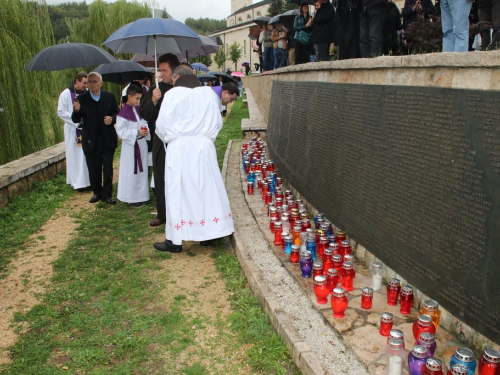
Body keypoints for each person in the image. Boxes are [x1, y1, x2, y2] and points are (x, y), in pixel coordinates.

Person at [153, 66, 237, 253]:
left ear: (177, 78)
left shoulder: (172, 95)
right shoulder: (209, 94)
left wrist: (173, 138)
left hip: (179, 148)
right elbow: (216, 122)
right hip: (203, 148)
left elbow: (161, 126)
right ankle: (207, 234)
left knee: (178, 191)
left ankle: (175, 240)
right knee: (205, 188)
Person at [139, 53, 180, 226]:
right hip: (159, 138)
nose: (161, 74)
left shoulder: (183, 88)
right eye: (160, 70)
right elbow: (144, 114)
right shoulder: (155, 90)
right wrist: (154, 101)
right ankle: (162, 213)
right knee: (161, 174)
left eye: (164, 70)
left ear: (174, 70)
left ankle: (180, 211)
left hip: (179, 138)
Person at [71, 72, 119, 204]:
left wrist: (112, 119)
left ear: (101, 83)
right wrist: (76, 110)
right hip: (90, 140)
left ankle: (107, 194)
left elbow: (116, 113)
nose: (91, 84)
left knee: (107, 167)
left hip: (107, 138)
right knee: (94, 167)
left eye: (94, 81)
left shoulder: (109, 96)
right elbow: (75, 119)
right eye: (89, 82)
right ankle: (96, 192)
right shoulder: (82, 98)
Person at [116, 85, 150, 207]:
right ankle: (132, 197)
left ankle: (142, 195)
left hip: (141, 144)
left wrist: (145, 129)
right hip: (131, 147)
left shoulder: (137, 109)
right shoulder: (122, 114)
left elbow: (143, 121)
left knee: (142, 170)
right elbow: (121, 131)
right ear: (129, 97)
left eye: (140, 98)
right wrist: (136, 133)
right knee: (132, 171)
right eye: (137, 98)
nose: (138, 101)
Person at [57, 71, 91, 191]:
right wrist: (75, 118)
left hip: (86, 129)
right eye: (84, 83)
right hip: (73, 129)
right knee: (75, 156)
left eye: (87, 83)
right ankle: (78, 183)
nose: (86, 85)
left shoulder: (87, 93)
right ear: (77, 81)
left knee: (86, 155)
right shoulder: (65, 94)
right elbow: (60, 111)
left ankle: (89, 181)